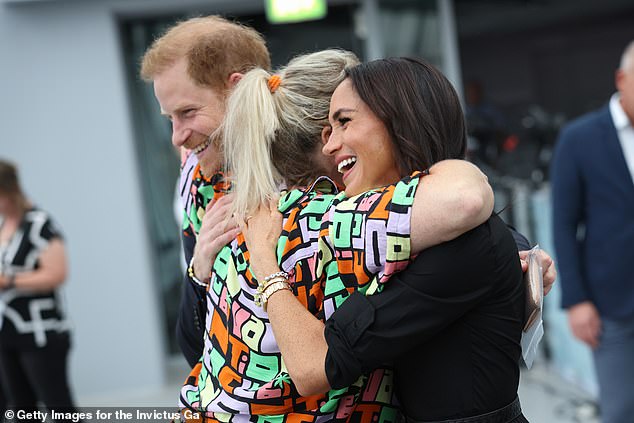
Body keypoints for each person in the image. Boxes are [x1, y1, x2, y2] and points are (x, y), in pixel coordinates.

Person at [177, 49, 499, 422]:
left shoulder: (249, 212)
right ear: (329, 138)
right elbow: (465, 198)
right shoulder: (337, 221)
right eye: (345, 120)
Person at [140, 15, 271, 366]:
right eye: (170, 118)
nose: (176, 137)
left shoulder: (324, 160)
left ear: (237, 89)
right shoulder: (197, 185)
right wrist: (200, 269)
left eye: (187, 112)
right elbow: (192, 349)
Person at [551, 40, 634, 423]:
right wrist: (577, 299)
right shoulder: (579, 138)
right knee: (621, 410)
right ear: (621, 78)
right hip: (612, 302)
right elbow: (564, 223)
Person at [0, 159, 77, 417]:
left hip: (41, 333)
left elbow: (57, 273)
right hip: (7, 332)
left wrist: (9, 281)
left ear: (8, 191)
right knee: (20, 407)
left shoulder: (39, 224)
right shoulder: (2, 226)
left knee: (59, 407)